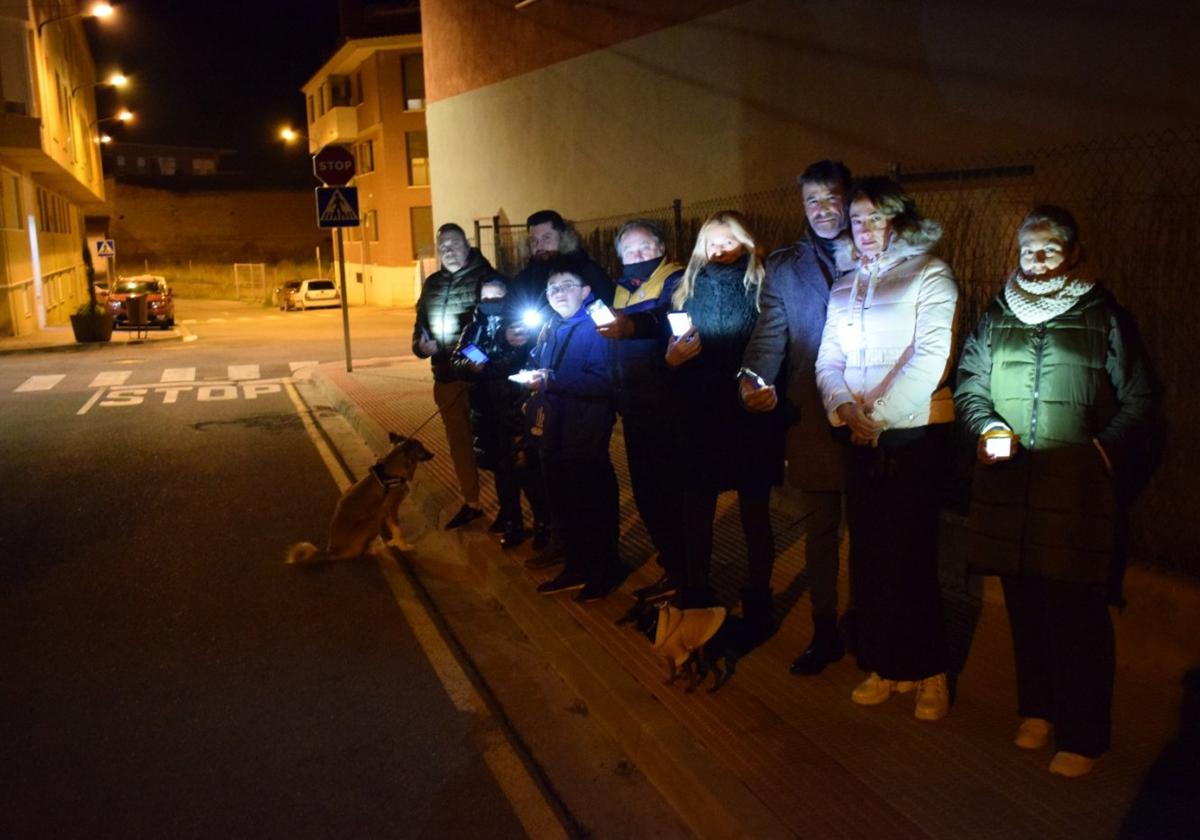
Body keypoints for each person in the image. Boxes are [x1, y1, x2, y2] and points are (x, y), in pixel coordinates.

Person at [954, 206, 1153, 777]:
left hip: (1075, 495)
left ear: (1072, 252)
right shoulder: (995, 316)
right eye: (1027, 249)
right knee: (1024, 607)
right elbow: (971, 383)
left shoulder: (1103, 316)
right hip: (1010, 487)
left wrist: (1100, 453)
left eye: (1048, 248)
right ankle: (1036, 710)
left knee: (1077, 616)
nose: (1036, 259)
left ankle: (1084, 733)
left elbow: (1139, 399)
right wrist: (987, 426)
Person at [815, 177, 957, 721]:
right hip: (857, 431)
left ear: (900, 220)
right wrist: (842, 408)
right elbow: (829, 356)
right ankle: (883, 663)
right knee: (870, 553)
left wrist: (873, 418)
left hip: (913, 432)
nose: (866, 230)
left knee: (911, 555)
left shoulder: (930, 274)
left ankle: (929, 671)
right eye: (857, 220)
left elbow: (930, 357)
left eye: (876, 218)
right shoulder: (844, 283)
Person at [740, 160, 854, 676]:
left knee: (877, 531)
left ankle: (876, 625)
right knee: (821, 530)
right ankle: (826, 629)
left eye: (833, 198)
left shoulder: (883, 254)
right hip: (813, 416)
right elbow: (770, 334)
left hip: (882, 412)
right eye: (813, 201)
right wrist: (751, 380)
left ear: (850, 199)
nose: (824, 210)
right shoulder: (786, 267)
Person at [665, 211, 785, 645]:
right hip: (699, 418)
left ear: (747, 242)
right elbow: (671, 351)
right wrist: (673, 360)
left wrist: (768, 394)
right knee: (695, 513)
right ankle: (696, 595)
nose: (718, 249)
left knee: (755, 515)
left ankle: (758, 602)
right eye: (711, 242)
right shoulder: (686, 287)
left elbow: (780, 343)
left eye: (727, 240)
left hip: (749, 416)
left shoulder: (764, 285)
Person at [521, 258, 622, 602]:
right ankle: (576, 566)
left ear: (586, 291)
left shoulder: (598, 326)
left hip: (585, 432)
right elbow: (538, 364)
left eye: (567, 286)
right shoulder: (550, 326)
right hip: (552, 430)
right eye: (552, 288)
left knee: (592, 504)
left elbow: (605, 381)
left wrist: (552, 379)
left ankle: (604, 571)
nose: (558, 293)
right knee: (563, 505)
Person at [599, 219, 687, 602]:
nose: (637, 256)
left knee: (672, 493)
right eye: (629, 251)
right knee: (647, 492)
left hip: (669, 405)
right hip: (635, 406)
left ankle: (686, 574)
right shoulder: (621, 289)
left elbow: (668, 317)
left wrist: (632, 326)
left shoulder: (677, 279)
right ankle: (672, 564)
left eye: (644, 248)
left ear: (661, 247)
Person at [452, 278, 549, 549]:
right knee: (501, 470)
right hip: (486, 410)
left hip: (514, 408)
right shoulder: (474, 327)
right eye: (486, 298)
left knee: (526, 469)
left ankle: (543, 524)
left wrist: (488, 364)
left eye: (498, 298)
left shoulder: (517, 325)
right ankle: (512, 523)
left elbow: (516, 361)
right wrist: (469, 368)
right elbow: (457, 359)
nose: (491, 304)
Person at [412, 223, 498, 530]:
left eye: (453, 244)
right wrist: (422, 347)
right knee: (459, 443)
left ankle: (509, 509)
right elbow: (419, 325)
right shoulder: (432, 284)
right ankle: (471, 501)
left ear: (467, 244)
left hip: (481, 380)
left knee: (495, 443)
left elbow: (496, 330)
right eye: (442, 247)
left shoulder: (487, 277)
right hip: (446, 378)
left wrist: (477, 360)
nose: (448, 251)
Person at [509, 209, 614, 313]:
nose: (539, 246)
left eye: (546, 238)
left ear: (563, 237)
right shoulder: (522, 281)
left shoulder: (587, 272)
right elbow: (510, 315)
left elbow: (611, 309)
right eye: (533, 240)